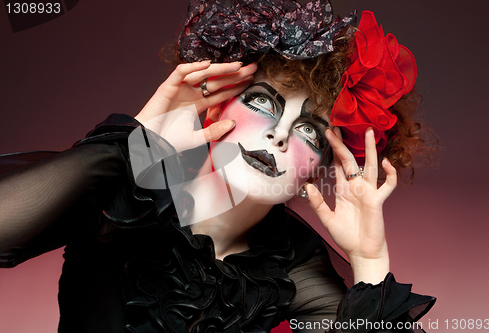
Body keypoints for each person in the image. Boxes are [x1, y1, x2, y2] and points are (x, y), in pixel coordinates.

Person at [0, 0, 435, 332]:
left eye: (310, 133)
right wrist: (137, 144)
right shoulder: (129, 194)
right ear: (214, 104)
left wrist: (369, 260)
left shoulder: (292, 266)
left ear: (318, 169)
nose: (280, 135)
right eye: (264, 102)